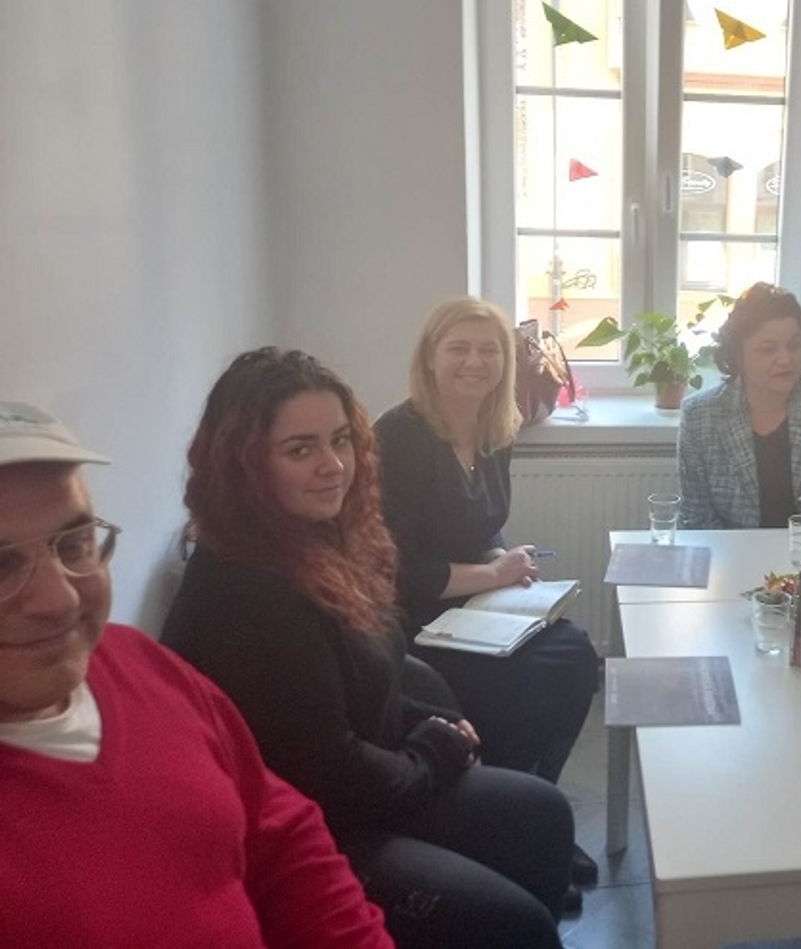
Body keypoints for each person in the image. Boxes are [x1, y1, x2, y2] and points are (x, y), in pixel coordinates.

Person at [160, 350, 573, 949]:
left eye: (340, 441)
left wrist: (427, 722)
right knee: (515, 926)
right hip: (310, 833)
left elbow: (368, 669)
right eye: (299, 450)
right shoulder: (247, 598)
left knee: (543, 815)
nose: (333, 466)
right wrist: (433, 752)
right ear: (245, 464)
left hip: (365, 782)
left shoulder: (318, 539)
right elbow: (333, 779)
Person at [0, 401, 392, 948]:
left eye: (74, 543)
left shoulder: (137, 662)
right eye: (1, 564)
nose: (59, 599)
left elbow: (279, 831)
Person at [372, 298, 600, 887]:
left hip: (473, 608)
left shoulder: (495, 429)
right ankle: (500, 827)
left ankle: (533, 813)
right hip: (416, 623)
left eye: (489, 350)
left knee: (577, 658)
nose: (475, 362)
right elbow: (396, 567)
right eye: (459, 348)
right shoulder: (399, 436)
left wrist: (501, 557)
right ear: (430, 357)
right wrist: (493, 576)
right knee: (520, 684)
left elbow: (482, 526)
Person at [677, 282, 801, 528]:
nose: (785, 360)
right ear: (738, 356)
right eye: (768, 349)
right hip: (735, 551)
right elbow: (697, 521)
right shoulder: (700, 416)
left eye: (794, 345)